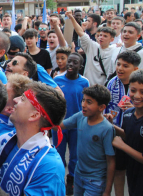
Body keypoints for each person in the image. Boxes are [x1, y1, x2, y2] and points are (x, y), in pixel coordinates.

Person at [0, 82, 67, 195]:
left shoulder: (49, 167)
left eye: (23, 99)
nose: (15, 99)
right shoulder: (6, 138)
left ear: (34, 115)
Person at [59, 85, 115, 196]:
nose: (83, 105)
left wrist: (107, 191)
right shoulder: (81, 117)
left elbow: (111, 161)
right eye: (83, 100)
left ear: (101, 107)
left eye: (89, 102)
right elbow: (59, 126)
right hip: (78, 175)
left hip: (95, 181)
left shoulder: (107, 129)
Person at [106, 70, 143, 196]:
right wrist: (112, 126)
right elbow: (130, 136)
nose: (137, 96)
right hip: (133, 174)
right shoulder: (128, 114)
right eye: (133, 90)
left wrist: (122, 146)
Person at [53, 53, 90, 194]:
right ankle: (59, 179)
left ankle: (71, 180)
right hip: (60, 125)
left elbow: (84, 103)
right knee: (59, 153)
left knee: (75, 155)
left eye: (75, 63)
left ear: (80, 66)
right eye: (69, 62)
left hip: (76, 125)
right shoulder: (57, 79)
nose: (70, 65)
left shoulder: (84, 82)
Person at [66, 11, 116, 86]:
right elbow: (79, 31)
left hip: (104, 87)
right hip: (89, 86)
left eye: (105, 36)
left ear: (112, 39)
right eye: (100, 35)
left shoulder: (115, 50)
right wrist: (71, 17)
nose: (101, 37)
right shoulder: (92, 45)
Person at [106, 50, 141, 127]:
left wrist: (135, 109)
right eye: (118, 64)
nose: (120, 68)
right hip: (111, 127)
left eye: (125, 66)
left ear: (135, 69)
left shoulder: (141, 86)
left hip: (133, 128)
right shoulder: (110, 83)